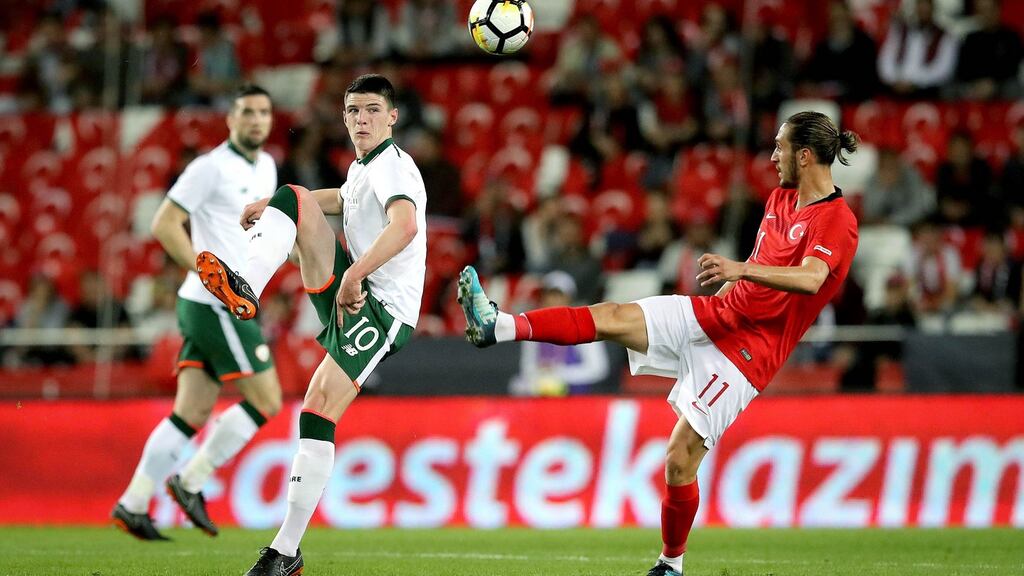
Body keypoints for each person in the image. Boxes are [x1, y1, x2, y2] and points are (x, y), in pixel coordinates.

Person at [458, 111, 859, 576]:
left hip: (748, 352)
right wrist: (724, 291)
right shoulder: (778, 198)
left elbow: (810, 279)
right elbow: (761, 261)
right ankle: (498, 325)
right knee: (613, 315)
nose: (772, 157)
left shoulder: (837, 220)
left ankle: (671, 564)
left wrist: (740, 270)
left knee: (678, 459)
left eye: (779, 147)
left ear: (804, 155)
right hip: (718, 315)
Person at [196, 74, 426, 576]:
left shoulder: (393, 166)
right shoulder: (366, 169)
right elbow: (346, 201)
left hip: (382, 306)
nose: (360, 119)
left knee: (319, 405)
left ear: (392, 117)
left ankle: (284, 552)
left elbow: (405, 226)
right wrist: (269, 205)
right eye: (352, 111)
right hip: (359, 295)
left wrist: (356, 276)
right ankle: (287, 553)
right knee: (293, 198)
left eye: (371, 110)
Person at [112, 85, 282, 541]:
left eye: (264, 113)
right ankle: (191, 481)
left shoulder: (266, 166)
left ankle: (133, 501)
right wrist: (207, 273)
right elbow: (163, 222)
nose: (256, 120)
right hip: (215, 304)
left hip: (229, 302)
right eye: (247, 112)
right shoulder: (209, 168)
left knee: (191, 411)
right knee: (267, 400)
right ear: (230, 118)